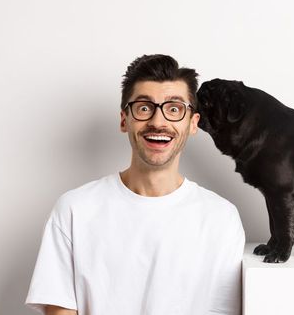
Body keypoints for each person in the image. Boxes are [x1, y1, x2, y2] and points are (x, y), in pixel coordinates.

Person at [25, 55, 246, 315]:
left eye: (174, 109)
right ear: (124, 119)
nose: (158, 121)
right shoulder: (75, 209)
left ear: (193, 123)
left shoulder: (221, 218)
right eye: (144, 107)